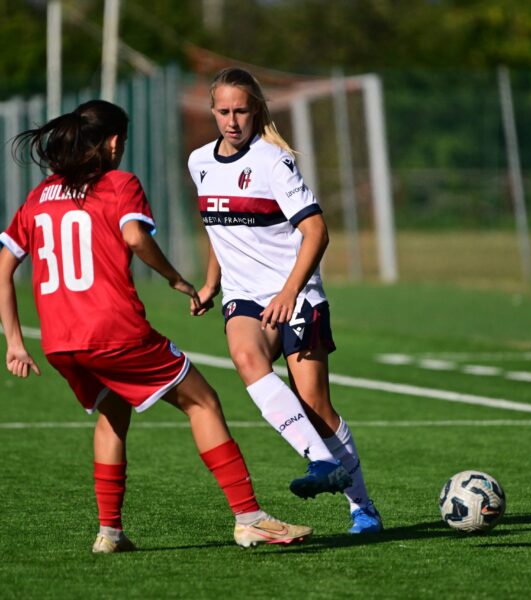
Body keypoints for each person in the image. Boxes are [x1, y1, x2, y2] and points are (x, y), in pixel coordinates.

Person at [0, 99, 312, 553]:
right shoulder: (118, 183)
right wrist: (175, 279)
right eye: (122, 141)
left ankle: (109, 533)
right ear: (111, 142)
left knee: (112, 413)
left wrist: (14, 341)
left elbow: (4, 265)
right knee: (203, 402)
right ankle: (250, 518)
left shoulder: (41, 195)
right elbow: (133, 236)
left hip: (60, 342)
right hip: (114, 332)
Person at [187, 67, 383, 534]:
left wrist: (290, 291)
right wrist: (212, 283)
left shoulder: (274, 161)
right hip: (243, 296)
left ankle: (363, 508)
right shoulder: (199, 162)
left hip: (294, 292)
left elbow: (316, 230)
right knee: (244, 354)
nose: (232, 121)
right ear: (211, 110)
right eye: (223, 111)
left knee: (315, 405)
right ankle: (319, 460)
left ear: (256, 110)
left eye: (241, 111)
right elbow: (219, 225)